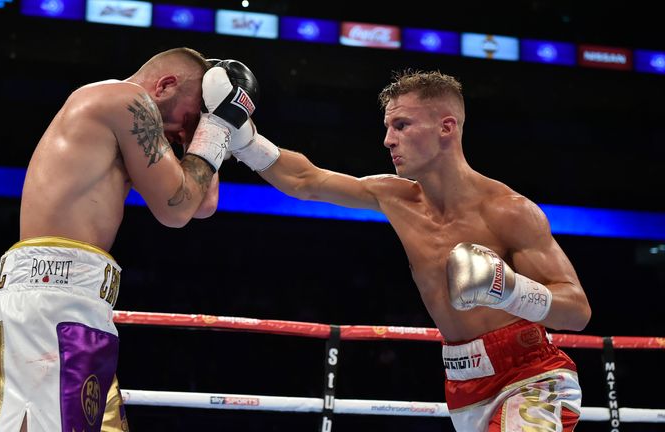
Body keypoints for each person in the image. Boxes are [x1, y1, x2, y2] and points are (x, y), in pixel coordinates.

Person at [234, 70, 592, 431]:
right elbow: (305, 180)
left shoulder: (508, 211)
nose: (388, 140)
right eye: (388, 127)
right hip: (463, 383)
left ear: (446, 128)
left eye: (402, 125)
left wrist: (509, 290)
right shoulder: (394, 197)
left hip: (530, 375)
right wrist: (244, 139)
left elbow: (577, 311)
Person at [0, 48, 259, 432]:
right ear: (165, 85)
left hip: (77, 305)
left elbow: (202, 204)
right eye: (189, 118)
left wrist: (211, 126)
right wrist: (214, 127)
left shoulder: (124, 127)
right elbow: (178, 209)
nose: (184, 133)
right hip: (51, 305)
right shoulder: (124, 100)